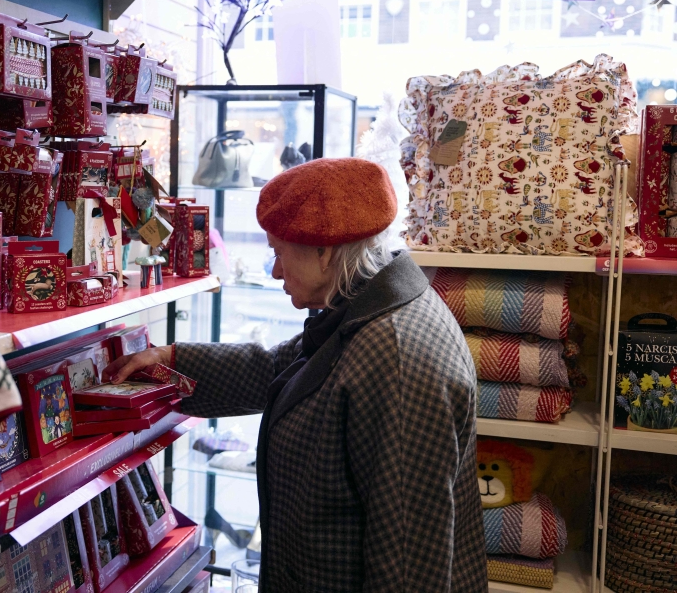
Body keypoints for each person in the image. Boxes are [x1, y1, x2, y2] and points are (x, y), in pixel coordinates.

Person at [104, 158, 488, 592]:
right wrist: (168, 361)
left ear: (324, 250)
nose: (275, 270)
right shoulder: (366, 313)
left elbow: (409, 566)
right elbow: (274, 369)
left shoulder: (395, 360)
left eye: (280, 252)